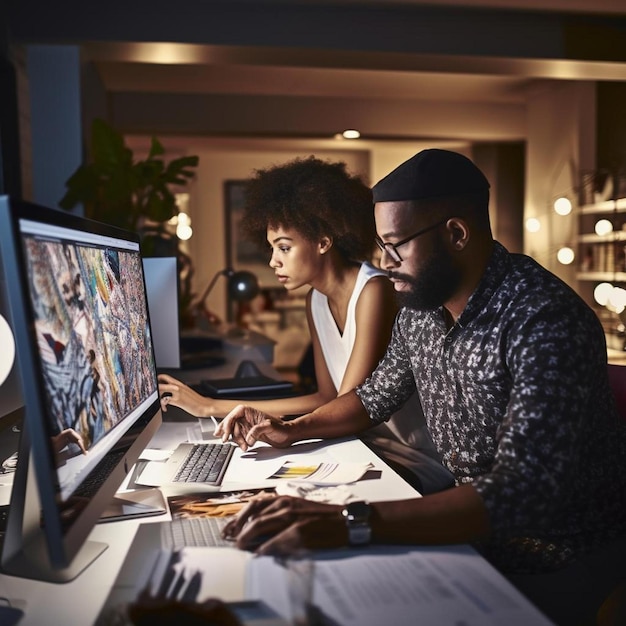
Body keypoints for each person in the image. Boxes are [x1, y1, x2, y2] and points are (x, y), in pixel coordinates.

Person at [215, 149, 626, 625]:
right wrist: (292, 428)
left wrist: (351, 522)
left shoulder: (543, 319)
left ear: (455, 233)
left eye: (396, 245)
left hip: (559, 551)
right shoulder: (420, 312)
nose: (384, 263)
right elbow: (372, 397)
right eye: (380, 246)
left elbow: (520, 492)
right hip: (474, 535)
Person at [158, 155, 453, 494]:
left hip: (408, 457)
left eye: (284, 247)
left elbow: (349, 402)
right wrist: (243, 414)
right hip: (360, 444)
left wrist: (211, 407)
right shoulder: (315, 299)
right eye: (272, 248)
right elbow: (325, 396)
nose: (273, 261)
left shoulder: (374, 290)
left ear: (323, 241)